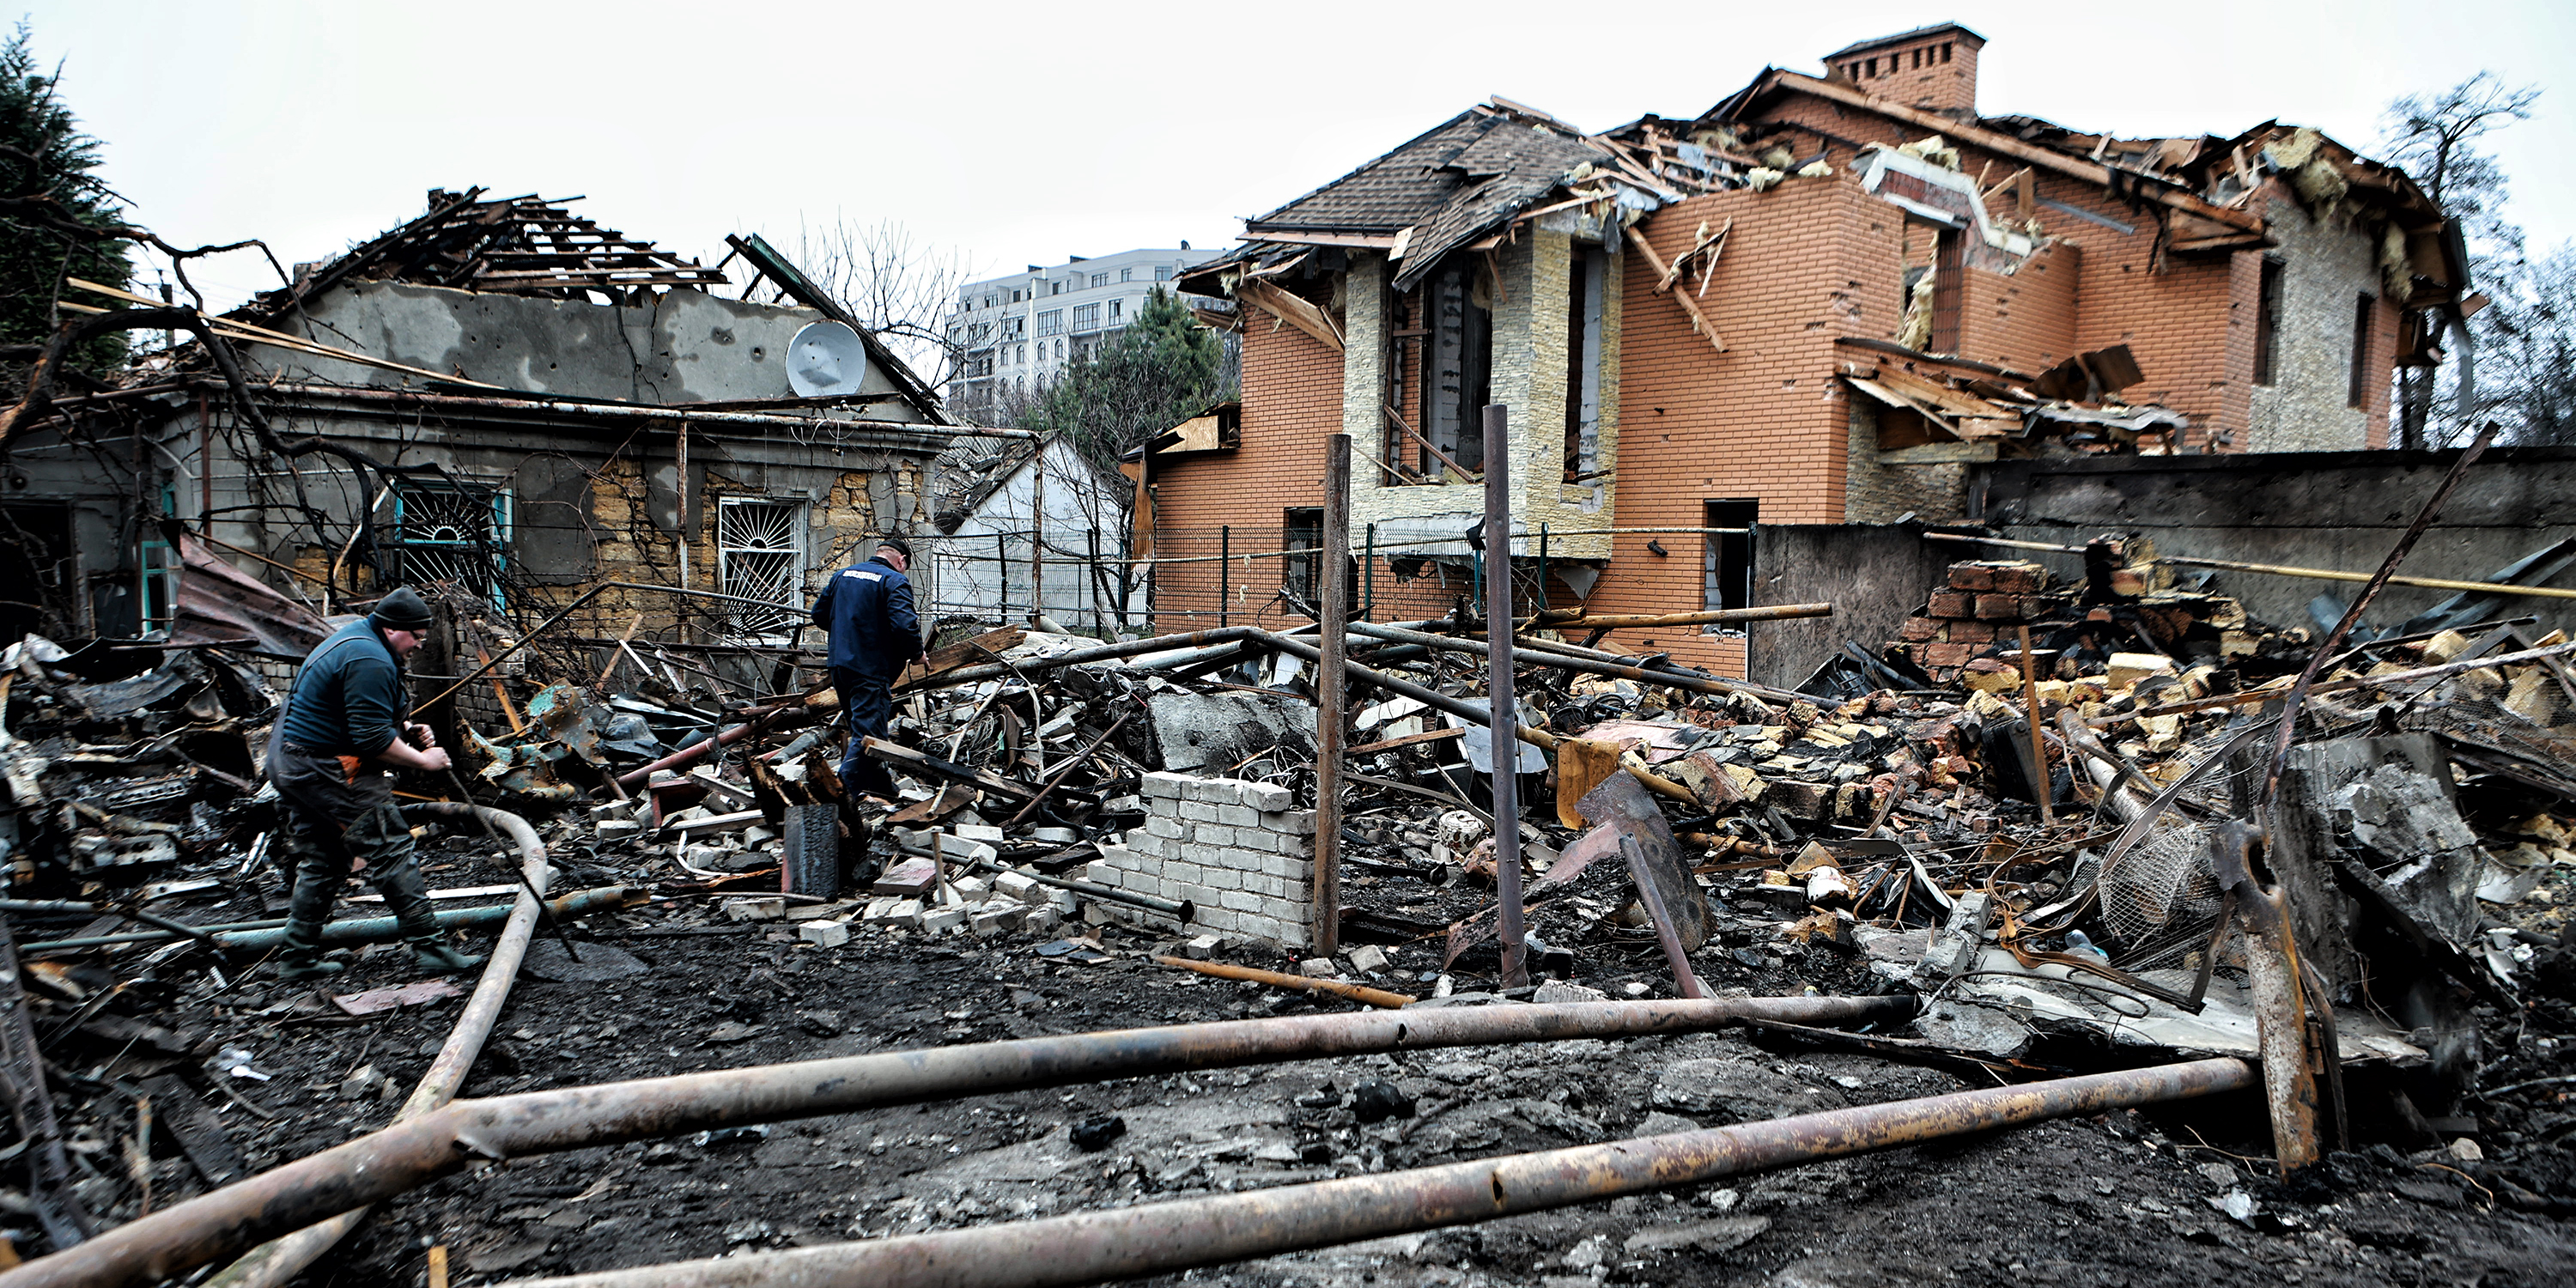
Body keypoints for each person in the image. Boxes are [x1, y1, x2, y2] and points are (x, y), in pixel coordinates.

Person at [264, 586, 486, 981]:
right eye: (415, 636)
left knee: (327, 858)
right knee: (392, 848)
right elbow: (369, 740)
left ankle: (297, 956)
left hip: (293, 764)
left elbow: (353, 712)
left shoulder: (353, 640)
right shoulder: (370, 659)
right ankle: (432, 949)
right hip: (328, 769)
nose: (418, 645)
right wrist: (423, 760)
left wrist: (405, 728)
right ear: (391, 628)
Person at [812, 535, 925, 799]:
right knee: (867, 734)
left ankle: (882, 789)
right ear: (901, 561)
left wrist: (848, 632)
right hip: (871, 670)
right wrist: (917, 654)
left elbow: (818, 614)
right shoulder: (894, 580)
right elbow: (903, 625)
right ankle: (839, 800)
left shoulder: (843, 575)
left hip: (840, 665)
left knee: (866, 729)